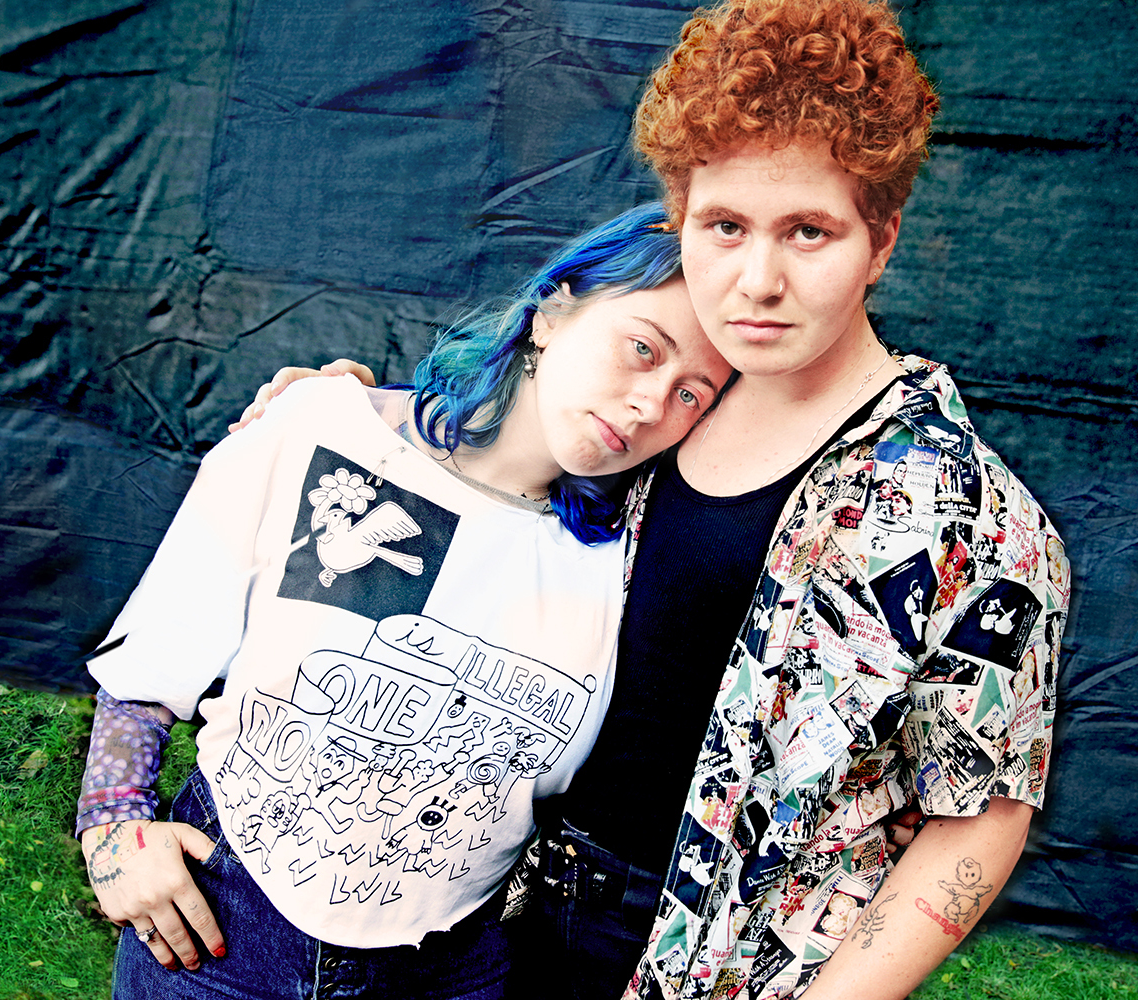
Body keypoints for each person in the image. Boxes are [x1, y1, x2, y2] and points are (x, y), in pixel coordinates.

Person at [236, 1, 1070, 997]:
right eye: (725, 227)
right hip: (494, 922)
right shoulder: (652, 416)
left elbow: (982, 811)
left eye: (809, 231)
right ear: (682, 221)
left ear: (880, 239)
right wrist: (344, 407)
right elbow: (487, 454)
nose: (756, 280)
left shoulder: (967, 512)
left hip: (730, 964)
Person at [74, 202, 733, 1000]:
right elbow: (157, 652)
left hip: (449, 971)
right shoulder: (331, 437)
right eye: (640, 348)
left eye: (693, 393)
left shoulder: (621, 556)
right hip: (223, 941)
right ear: (553, 313)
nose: (649, 404)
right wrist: (112, 824)